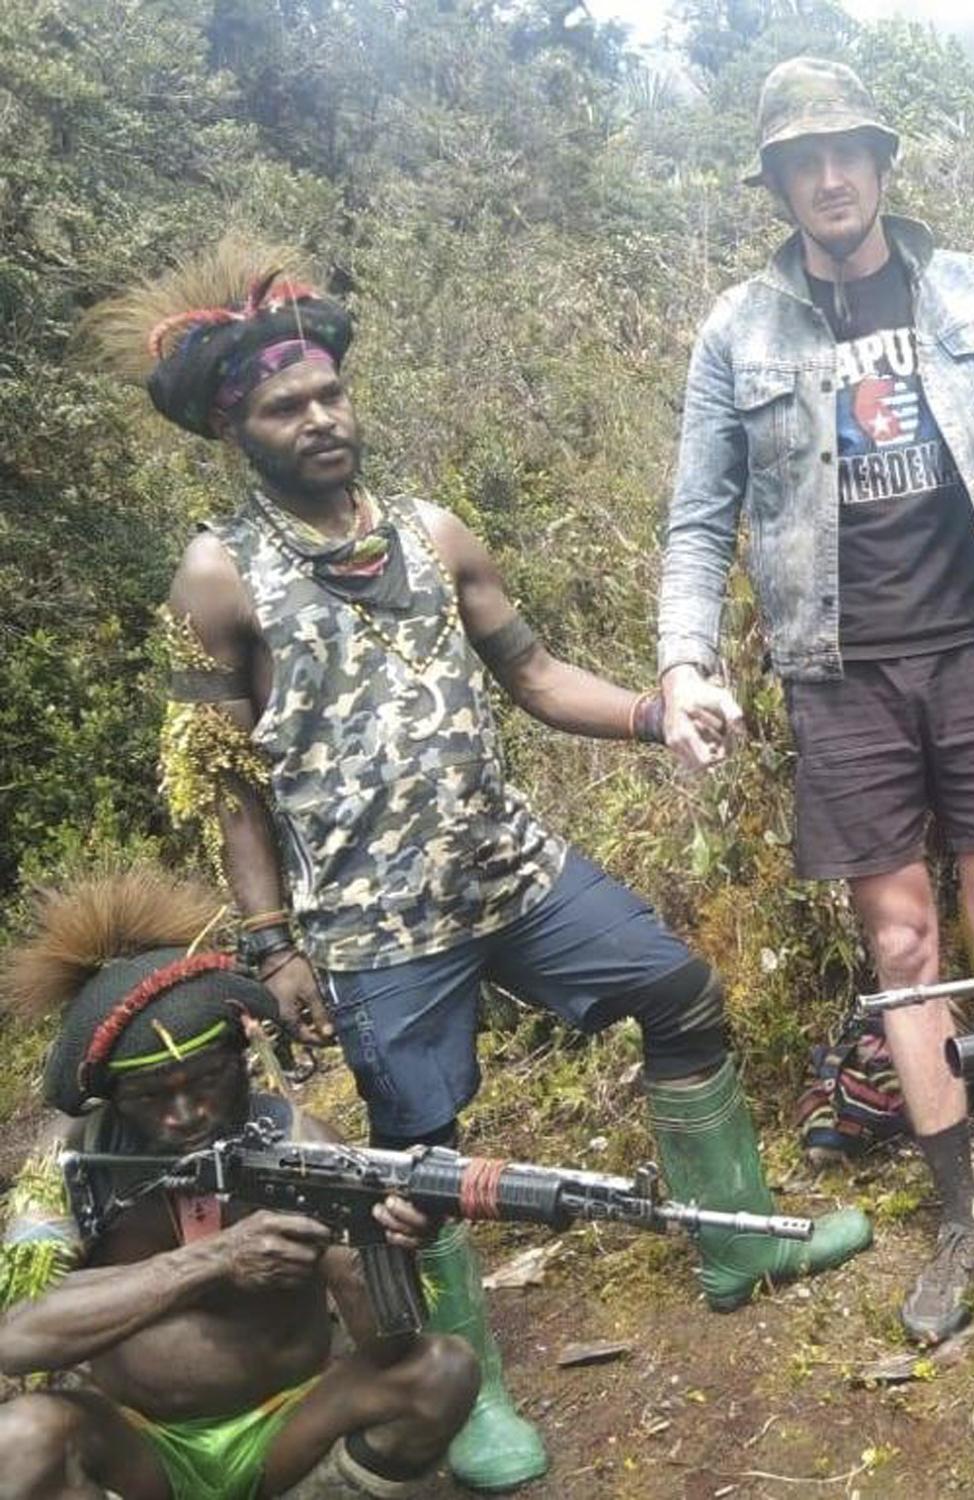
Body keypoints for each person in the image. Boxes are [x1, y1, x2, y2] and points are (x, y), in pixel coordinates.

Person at [80, 236, 871, 1489]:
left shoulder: (434, 531)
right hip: (374, 922)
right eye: (288, 407)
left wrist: (658, 713)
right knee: (421, 1158)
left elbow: (536, 675)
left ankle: (740, 1248)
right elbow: (225, 787)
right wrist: (271, 945)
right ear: (241, 428)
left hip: (508, 869)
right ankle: (469, 1393)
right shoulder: (217, 578)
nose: (322, 418)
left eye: (331, 393)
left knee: (677, 991)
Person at [655, 57, 974, 1345]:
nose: (828, 178)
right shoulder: (738, 332)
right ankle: (960, 1216)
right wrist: (682, 663)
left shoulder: (968, 292)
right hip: (838, 675)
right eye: (801, 161)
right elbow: (695, 520)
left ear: (882, 165)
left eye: (848, 153)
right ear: (775, 183)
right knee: (901, 950)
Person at [0, 869, 479, 1500]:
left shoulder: (303, 1144)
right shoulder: (70, 1159)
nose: (185, 1114)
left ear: (241, 1058)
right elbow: (17, 1335)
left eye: (205, 1083)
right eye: (151, 1097)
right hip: (138, 1444)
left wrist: (384, 1249)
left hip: (289, 1426)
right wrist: (214, 1259)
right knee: (20, 1438)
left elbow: (393, 1351)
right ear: (112, 1098)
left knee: (442, 1371)